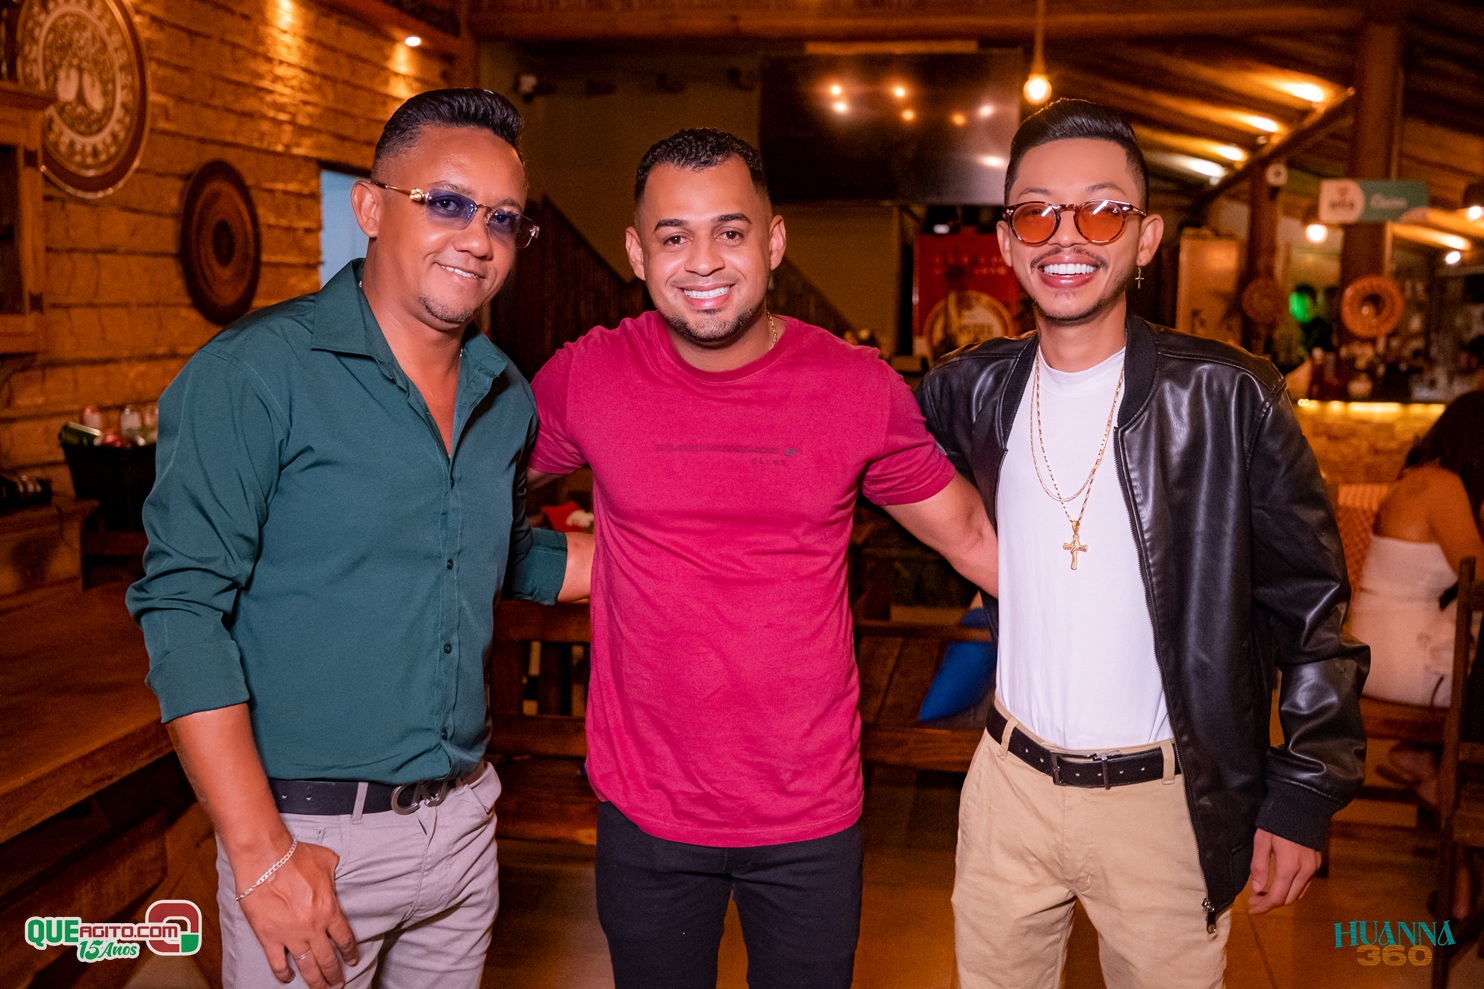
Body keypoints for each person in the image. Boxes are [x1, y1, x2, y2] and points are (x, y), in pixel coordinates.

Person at [128, 89, 589, 989]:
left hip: (463, 828)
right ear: (371, 208)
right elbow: (182, 609)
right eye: (447, 203)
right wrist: (259, 851)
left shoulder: (505, 393)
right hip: (309, 840)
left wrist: (674, 562)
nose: (478, 238)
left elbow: (494, 552)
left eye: (503, 218)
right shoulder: (255, 372)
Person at [526, 128, 998, 989]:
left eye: (730, 231)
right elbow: (459, 493)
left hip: (808, 812)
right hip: (647, 807)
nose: (703, 260)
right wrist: (560, 563)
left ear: (774, 240)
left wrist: (1127, 651)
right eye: (674, 235)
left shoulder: (856, 387)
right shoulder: (586, 376)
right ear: (637, 252)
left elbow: (969, 536)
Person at [915, 99, 1368, 989]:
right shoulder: (968, 390)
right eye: (1037, 213)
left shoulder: (1231, 397)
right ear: (1007, 241)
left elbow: (1312, 606)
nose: (1066, 236)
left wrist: (1306, 788)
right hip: (1008, 786)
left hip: (1167, 799)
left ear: (1147, 237)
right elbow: (862, 456)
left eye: (1103, 210)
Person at [1351, 390, 1484, 802]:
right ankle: (1451, 785)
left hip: (1378, 648)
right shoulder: (1442, 487)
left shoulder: (1423, 478)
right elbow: (1480, 578)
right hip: (1403, 659)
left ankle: (1429, 763)